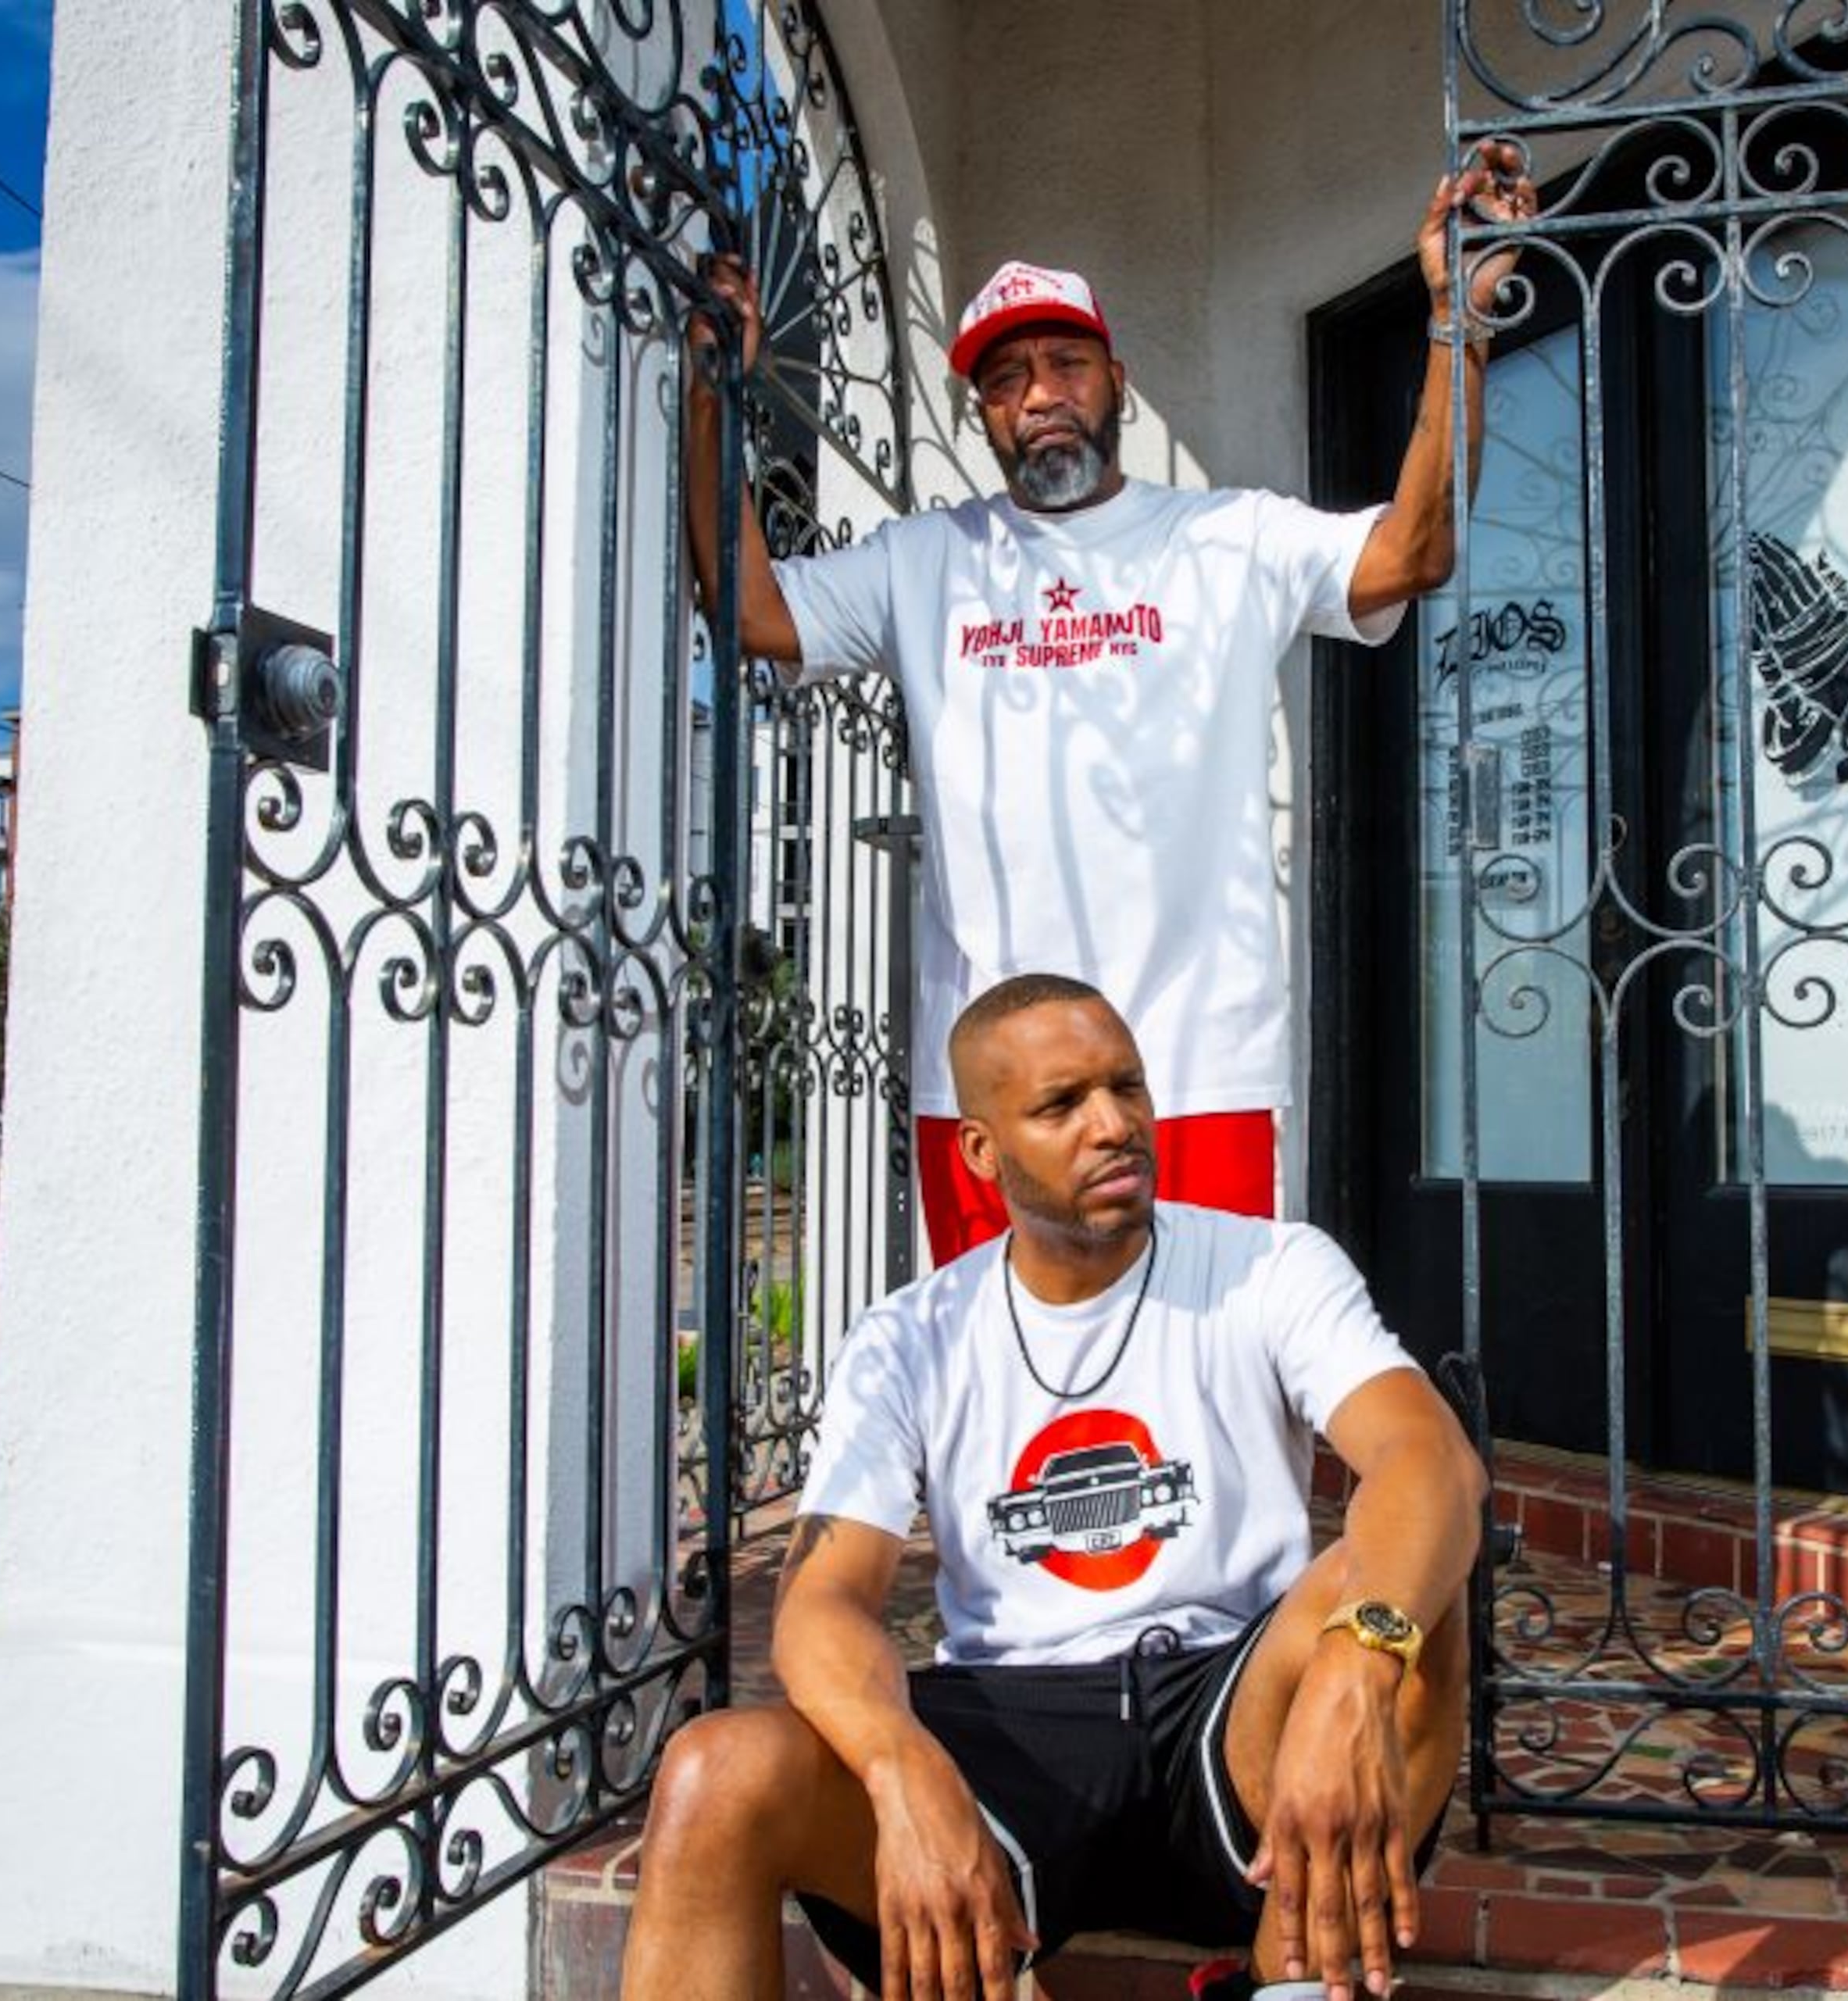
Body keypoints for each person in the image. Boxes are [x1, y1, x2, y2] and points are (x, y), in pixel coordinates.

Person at [687, 143, 1535, 1264]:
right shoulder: (921, 562)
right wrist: (716, 399)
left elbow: (1413, 552)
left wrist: (1456, 326)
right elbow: (750, 609)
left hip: (1194, 1072)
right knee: (1007, 1402)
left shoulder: (1225, 538)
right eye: (1004, 377)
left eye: (1065, 363)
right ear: (981, 410)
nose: (1039, 394)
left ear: (1117, 383)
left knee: (1206, 1403)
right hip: (988, 1095)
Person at [615, 974, 1488, 2001]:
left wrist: (1357, 1662)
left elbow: (1429, 1459)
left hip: (1234, 1715)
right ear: (982, 1150)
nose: (1114, 1124)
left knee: (1401, 1598)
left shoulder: (1269, 1268)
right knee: (716, 1777)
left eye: (1128, 1087)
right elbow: (821, 1600)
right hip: (1014, 1729)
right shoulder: (912, 1336)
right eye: (1062, 1104)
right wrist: (902, 1771)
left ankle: (1291, 1979)